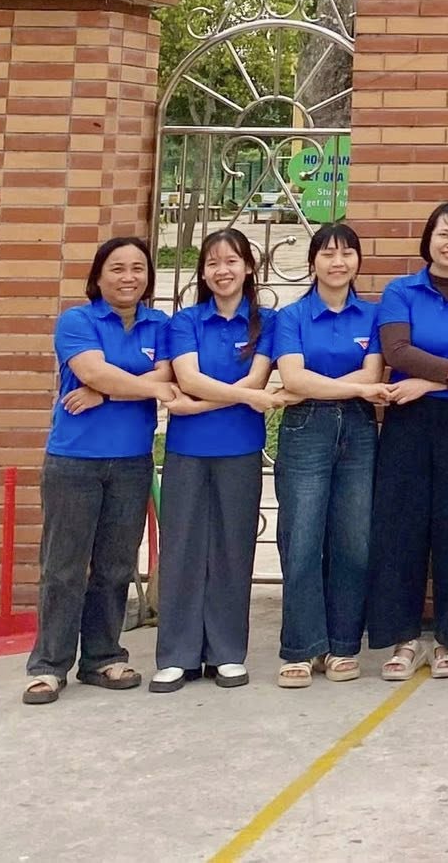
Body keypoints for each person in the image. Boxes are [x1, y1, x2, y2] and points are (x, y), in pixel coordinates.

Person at [23, 236, 173, 705]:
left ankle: (103, 657)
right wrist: (131, 385)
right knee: (64, 567)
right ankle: (48, 666)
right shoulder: (77, 320)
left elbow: (167, 378)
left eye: (138, 268)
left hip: (131, 460)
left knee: (115, 566)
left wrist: (106, 393)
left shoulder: (159, 324)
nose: (129, 277)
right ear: (98, 276)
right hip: (74, 461)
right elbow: (95, 371)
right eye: (117, 268)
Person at [367, 200, 448, 681]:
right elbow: (397, 350)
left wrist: (430, 382)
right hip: (407, 424)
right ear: (428, 239)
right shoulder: (400, 291)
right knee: (400, 529)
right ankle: (402, 637)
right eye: (444, 233)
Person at [153, 226, 284, 693]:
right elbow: (188, 378)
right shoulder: (185, 322)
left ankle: (227, 653)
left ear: (248, 267)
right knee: (182, 549)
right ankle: (176, 655)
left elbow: (257, 381)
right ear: (203, 273)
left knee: (233, 549)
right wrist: (236, 399)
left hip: (240, 449)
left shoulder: (267, 322)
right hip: (187, 450)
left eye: (231, 261)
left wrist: (197, 405)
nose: (221, 270)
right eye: (212, 263)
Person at [272, 221, 386, 687]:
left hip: (358, 429)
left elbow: (374, 374)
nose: (338, 262)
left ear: (358, 261)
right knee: (301, 539)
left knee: (354, 542)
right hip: (305, 429)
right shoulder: (291, 317)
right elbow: (292, 378)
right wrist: (350, 386)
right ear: (312, 262)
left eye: (347, 253)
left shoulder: (372, 316)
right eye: (327, 253)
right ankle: (301, 647)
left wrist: (319, 386)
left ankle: (342, 645)